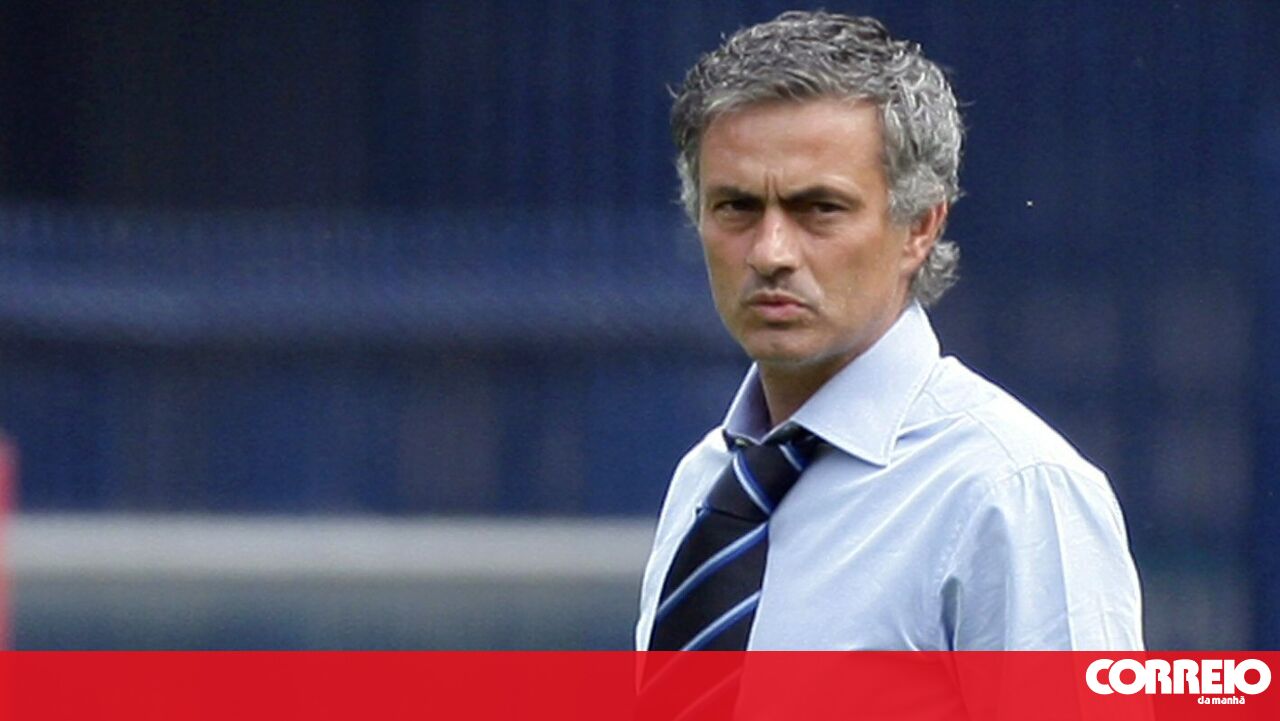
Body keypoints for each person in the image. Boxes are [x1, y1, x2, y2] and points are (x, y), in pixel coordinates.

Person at [636, 10, 1143, 652]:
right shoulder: (707, 482)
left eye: (820, 208)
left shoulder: (1012, 490)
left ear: (921, 227)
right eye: (736, 206)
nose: (770, 252)